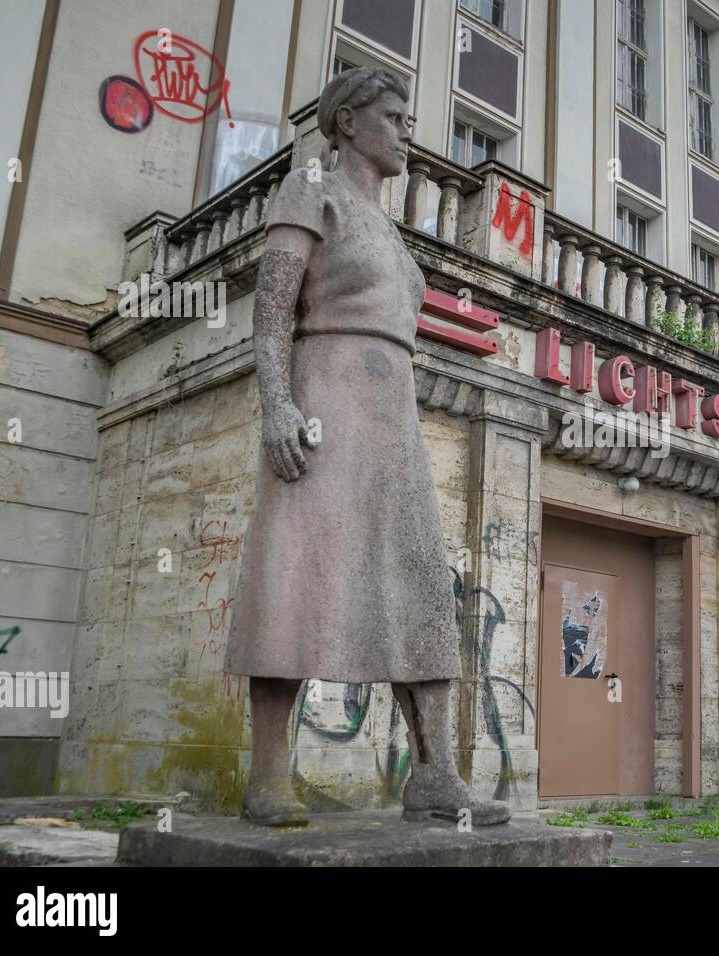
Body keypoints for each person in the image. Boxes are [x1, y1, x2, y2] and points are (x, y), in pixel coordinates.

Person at [225, 67, 511, 827]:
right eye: (393, 115)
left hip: (394, 419)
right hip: (325, 398)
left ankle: (434, 774)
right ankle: (267, 777)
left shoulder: (390, 229)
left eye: (407, 116)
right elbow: (272, 314)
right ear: (347, 121)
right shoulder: (309, 190)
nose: (406, 128)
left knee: (419, 582)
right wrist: (278, 405)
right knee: (293, 576)